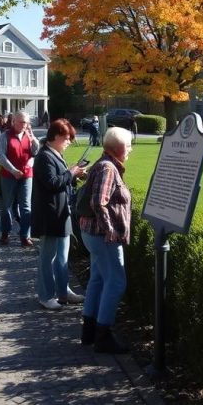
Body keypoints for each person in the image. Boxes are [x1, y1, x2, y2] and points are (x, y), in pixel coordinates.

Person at [78, 127, 133, 354]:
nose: (130, 150)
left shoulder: (104, 164)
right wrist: (110, 229)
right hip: (102, 236)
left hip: (92, 233)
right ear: (119, 148)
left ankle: (89, 332)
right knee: (116, 282)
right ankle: (103, 336)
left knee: (98, 279)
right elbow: (98, 202)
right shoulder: (108, 168)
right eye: (129, 145)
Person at [31, 119, 87, 310]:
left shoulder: (54, 154)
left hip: (61, 214)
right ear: (55, 137)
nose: (69, 142)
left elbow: (60, 181)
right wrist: (71, 173)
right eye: (67, 138)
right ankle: (45, 296)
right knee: (48, 258)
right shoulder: (44, 156)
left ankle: (63, 292)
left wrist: (74, 174)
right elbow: (52, 183)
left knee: (63, 256)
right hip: (50, 215)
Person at [0, 110, 40, 246]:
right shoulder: (5, 136)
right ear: (14, 122)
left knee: (26, 206)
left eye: (27, 122)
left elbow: (35, 152)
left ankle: (25, 235)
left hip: (27, 175)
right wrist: (13, 170)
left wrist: (34, 141)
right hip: (9, 175)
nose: (24, 125)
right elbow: (1, 156)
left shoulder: (29, 135)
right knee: (7, 205)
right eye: (22, 122)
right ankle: (5, 232)